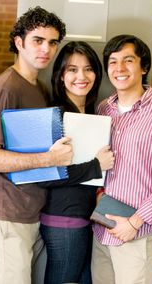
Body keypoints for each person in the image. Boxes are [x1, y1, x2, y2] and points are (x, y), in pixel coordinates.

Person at [0, 6, 72, 284]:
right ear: (19, 43)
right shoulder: (5, 89)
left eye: (52, 42)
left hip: (30, 208)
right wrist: (50, 159)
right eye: (38, 40)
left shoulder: (39, 87)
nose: (46, 49)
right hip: (8, 210)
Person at [91, 34, 152, 284]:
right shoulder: (103, 109)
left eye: (128, 60)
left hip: (137, 234)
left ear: (144, 67)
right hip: (101, 229)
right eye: (112, 62)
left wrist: (134, 222)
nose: (119, 69)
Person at [39, 41, 114, 284]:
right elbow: (46, 175)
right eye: (72, 69)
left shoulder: (92, 113)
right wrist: (95, 165)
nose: (81, 76)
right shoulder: (55, 115)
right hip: (64, 220)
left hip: (83, 219)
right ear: (60, 75)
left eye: (88, 68)